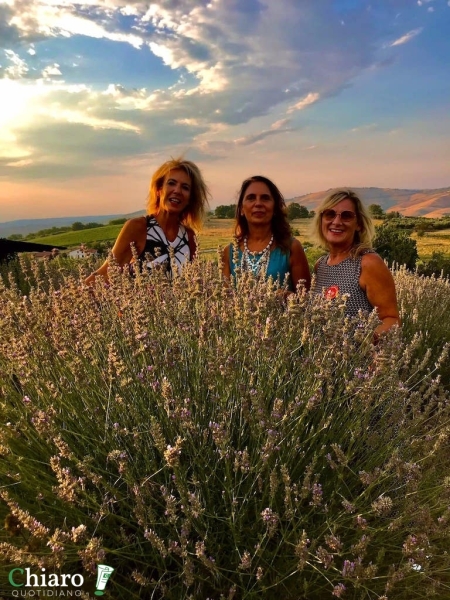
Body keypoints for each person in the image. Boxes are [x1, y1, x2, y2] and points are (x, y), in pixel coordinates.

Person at [85, 158, 210, 285]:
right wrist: (72, 297)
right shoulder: (138, 227)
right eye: (171, 183)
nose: (177, 191)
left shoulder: (189, 236)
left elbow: (194, 283)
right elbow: (107, 272)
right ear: (159, 190)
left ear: (190, 198)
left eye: (185, 187)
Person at [312, 188, 400, 336]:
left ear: (358, 224)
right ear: (321, 220)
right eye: (329, 214)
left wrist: (364, 348)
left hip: (355, 357)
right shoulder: (320, 265)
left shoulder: (367, 263)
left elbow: (391, 319)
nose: (337, 221)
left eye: (346, 216)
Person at [222, 175, 311, 292]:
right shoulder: (229, 252)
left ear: (275, 208)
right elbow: (224, 301)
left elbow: (307, 301)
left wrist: (284, 297)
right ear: (242, 209)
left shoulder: (292, 248)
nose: (258, 203)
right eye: (251, 198)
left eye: (265, 198)